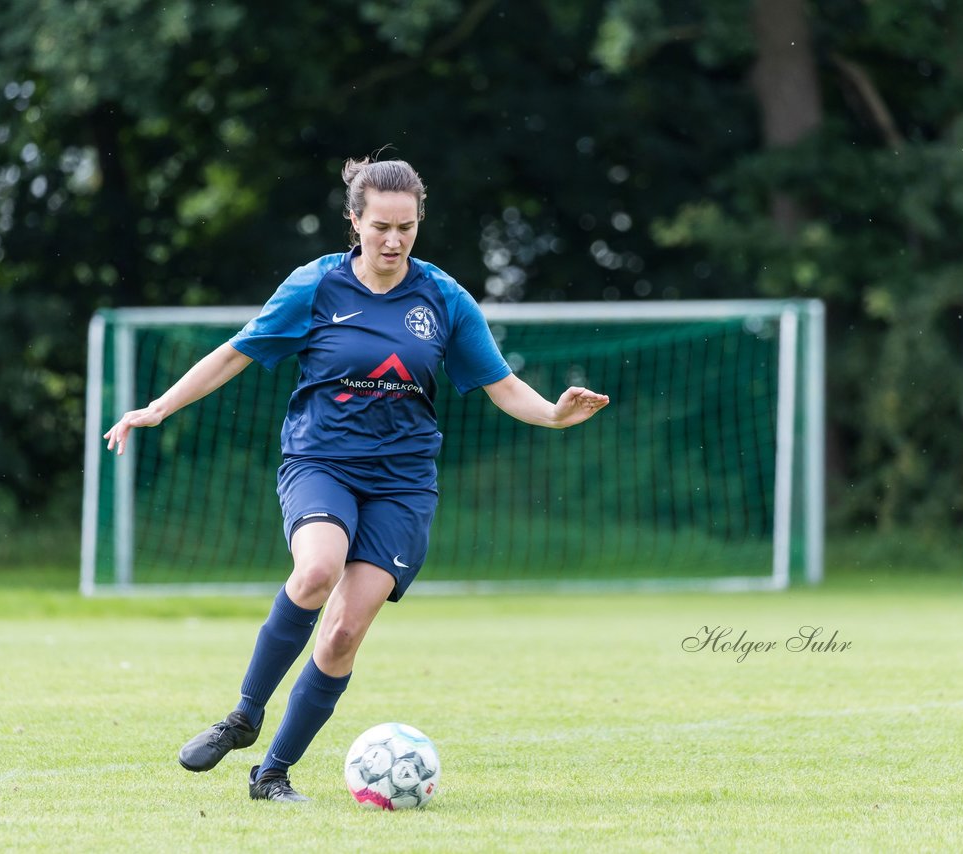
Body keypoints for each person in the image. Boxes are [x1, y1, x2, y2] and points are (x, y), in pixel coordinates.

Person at [103, 156, 610, 802]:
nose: (394, 241)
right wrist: (158, 407)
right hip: (321, 463)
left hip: (402, 483)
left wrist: (553, 416)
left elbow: (503, 386)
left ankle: (273, 774)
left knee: (344, 632)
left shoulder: (444, 298)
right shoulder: (315, 287)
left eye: (406, 227)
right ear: (354, 222)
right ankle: (244, 716)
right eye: (380, 227)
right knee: (317, 570)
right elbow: (236, 352)